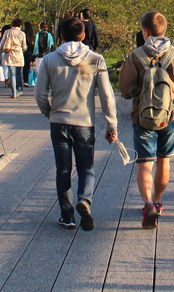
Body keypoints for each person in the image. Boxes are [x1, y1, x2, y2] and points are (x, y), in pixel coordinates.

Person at [36, 17, 118, 231]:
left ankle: (67, 216)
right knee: (86, 167)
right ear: (83, 36)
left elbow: (40, 93)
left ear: (61, 36)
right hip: (84, 122)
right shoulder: (95, 59)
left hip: (59, 122)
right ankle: (85, 199)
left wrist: (49, 112)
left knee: (63, 169)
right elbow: (107, 95)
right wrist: (112, 124)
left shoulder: (49, 60)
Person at [119, 11, 174, 229]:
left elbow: (125, 89)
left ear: (145, 32)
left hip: (142, 118)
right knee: (164, 159)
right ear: (164, 31)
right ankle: (159, 201)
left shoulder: (135, 56)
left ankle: (147, 205)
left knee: (145, 162)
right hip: (170, 116)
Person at [0, 17, 27, 98]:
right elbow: (24, 47)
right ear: (20, 25)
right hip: (19, 54)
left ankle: (13, 92)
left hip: (9, 53)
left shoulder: (7, 32)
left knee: (12, 74)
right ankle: (19, 90)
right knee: (19, 73)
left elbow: (2, 43)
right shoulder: (22, 34)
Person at [23, 21, 36, 87]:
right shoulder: (33, 35)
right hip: (30, 52)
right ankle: (28, 80)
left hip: (24, 51)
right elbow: (34, 45)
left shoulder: (23, 33)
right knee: (28, 67)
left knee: (24, 67)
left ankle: (25, 80)